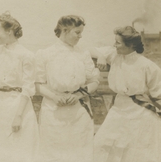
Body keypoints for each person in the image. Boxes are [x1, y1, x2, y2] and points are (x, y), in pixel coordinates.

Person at [35, 15, 99, 162]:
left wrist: (79, 95)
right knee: (53, 152)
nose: (80, 36)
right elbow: (38, 83)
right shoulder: (45, 54)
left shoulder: (83, 54)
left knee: (80, 152)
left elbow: (94, 81)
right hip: (53, 110)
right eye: (77, 32)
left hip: (78, 110)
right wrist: (55, 97)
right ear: (65, 30)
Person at [92, 26, 161, 162]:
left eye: (118, 42)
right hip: (118, 108)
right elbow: (90, 49)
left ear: (129, 45)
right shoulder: (114, 56)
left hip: (140, 111)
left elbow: (158, 93)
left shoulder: (148, 66)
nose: (114, 45)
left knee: (135, 149)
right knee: (102, 143)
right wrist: (100, 56)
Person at [0, 12, 39, 162]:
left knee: (18, 148)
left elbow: (28, 87)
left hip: (18, 105)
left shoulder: (26, 55)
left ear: (9, 31)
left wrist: (18, 116)